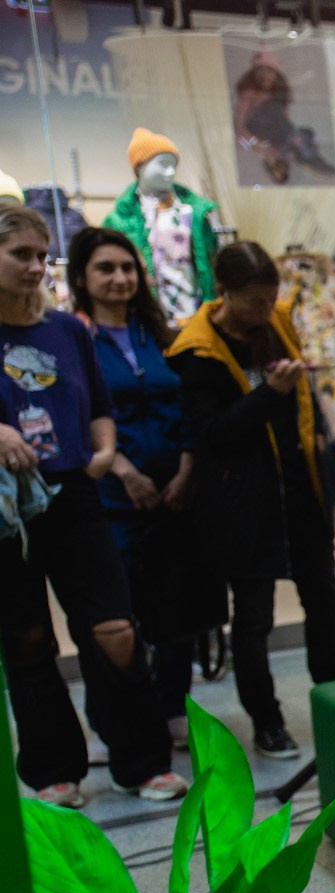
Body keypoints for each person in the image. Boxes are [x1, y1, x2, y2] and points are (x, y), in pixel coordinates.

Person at [0, 204, 183, 807]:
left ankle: (141, 761)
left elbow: (99, 405)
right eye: (19, 255)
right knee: (27, 638)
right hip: (5, 508)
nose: (34, 266)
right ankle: (53, 769)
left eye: (40, 254)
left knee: (114, 628)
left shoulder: (68, 330)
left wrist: (103, 451)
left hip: (74, 492)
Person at [170, 240, 335, 760]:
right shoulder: (196, 351)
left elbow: (302, 406)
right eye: (252, 302)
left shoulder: (280, 322)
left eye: (269, 300)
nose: (263, 311)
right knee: (253, 619)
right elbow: (214, 433)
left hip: (299, 490)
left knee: (325, 604)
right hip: (241, 504)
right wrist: (268, 392)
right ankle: (267, 722)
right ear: (224, 292)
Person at [71, 227, 215, 752]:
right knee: (117, 615)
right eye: (105, 269)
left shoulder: (159, 333)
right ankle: (118, 721)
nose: (118, 278)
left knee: (175, 605)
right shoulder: (75, 338)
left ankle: (173, 704)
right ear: (83, 279)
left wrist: (185, 468)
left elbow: (183, 406)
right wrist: (125, 472)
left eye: (127, 268)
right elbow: (82, 418)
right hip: (114, 499)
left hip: (175, 493)